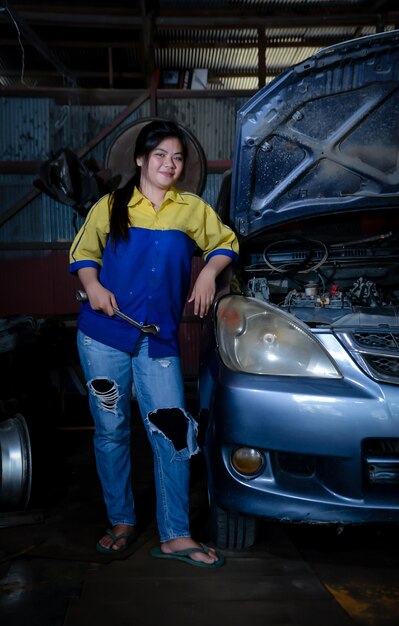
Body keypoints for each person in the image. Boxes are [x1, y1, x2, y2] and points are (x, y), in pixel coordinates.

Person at [69, 119, 239, 567]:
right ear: (141, 159)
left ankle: (175, 534)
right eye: (161, 155)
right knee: (111, 431)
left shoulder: (192, 209)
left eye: (177, 157)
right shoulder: (111, 206)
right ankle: (122, 520)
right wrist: (94, 285)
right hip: (103, 336)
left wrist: (206, 272)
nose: (170, 163)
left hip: (157, 341)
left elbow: (225, 243)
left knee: (173, 432)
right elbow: (83, 252)